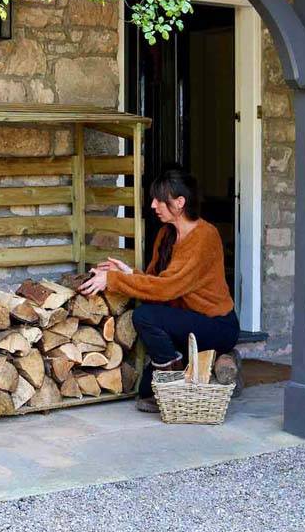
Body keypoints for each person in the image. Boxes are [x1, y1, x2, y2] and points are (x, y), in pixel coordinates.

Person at [78, 167, 240, 412]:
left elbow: (167, 288)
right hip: (185, 320)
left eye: (159, 200)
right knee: (146, 391)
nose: (153, 205)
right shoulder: (166, 234)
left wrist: (113, 280)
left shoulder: (205, 237)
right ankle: (184, 367)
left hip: (216, 325)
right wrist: (129, 273)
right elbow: (157, 282)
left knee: (145, 316)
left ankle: (176, 375)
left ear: (180, 202)